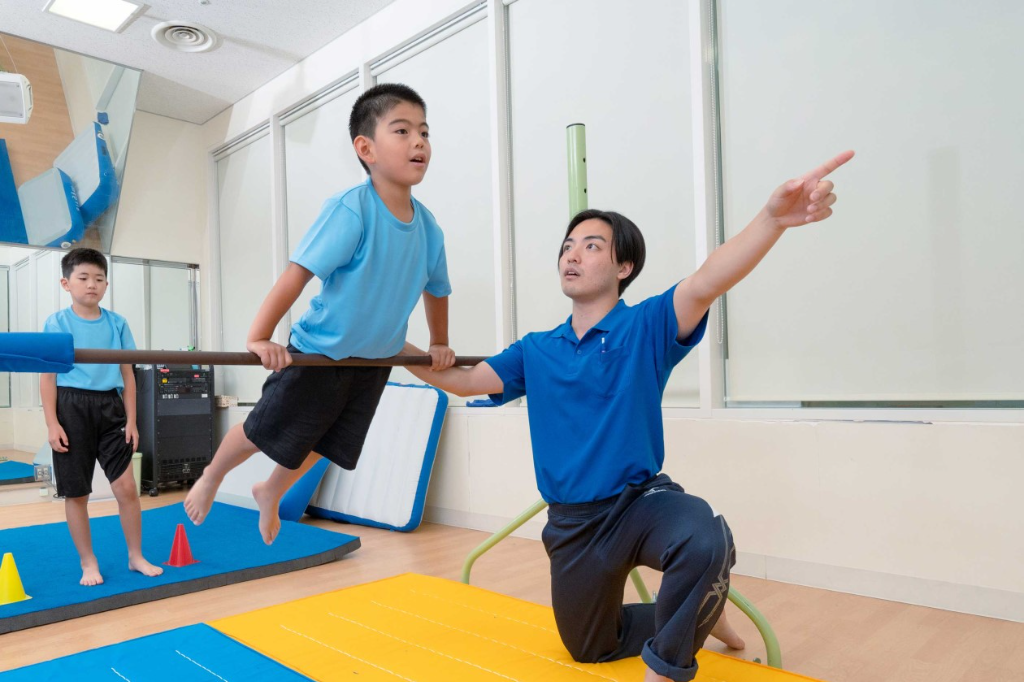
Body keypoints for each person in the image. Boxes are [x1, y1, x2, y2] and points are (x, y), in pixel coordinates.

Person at [402, 151, 854, 681]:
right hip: (574, 524)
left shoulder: (647, 326)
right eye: (568, 247)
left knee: (704, 537)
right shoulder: (536, 350)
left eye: (591, 246)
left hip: (641, 502)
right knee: (589, 648)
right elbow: (462, 379)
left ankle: (666, 667)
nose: (572, 255)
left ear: (623, 268)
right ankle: (701, 617)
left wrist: (773, 219)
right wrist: (395, 344)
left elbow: (709, 279)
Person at [185, 83, 455, 544]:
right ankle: (211, 475)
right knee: (261, 431)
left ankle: (270, 490)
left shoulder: (428, 228)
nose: (419, 142)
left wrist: (438, 342)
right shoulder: (353, 209)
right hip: (319, 351)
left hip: (373, 361)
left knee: (327, 441)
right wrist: (260, 335)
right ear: (365, 148)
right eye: (403, 130)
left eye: (424, 133)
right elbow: (297, 275)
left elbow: (438, 290)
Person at [41, 248, 164, 586]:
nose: (91, 285)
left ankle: (135, 556)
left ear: (106, 285)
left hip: (110, 409)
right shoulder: (56, 323)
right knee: (77, 493)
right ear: (67, 283)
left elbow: (128, 376)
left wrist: (133, 421)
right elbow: (47, 377)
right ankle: (88, 562)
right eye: (83, 278)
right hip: (71, 408)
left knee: (126, 486)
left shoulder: (117, 323)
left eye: (99, 279)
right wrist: (52, 423)